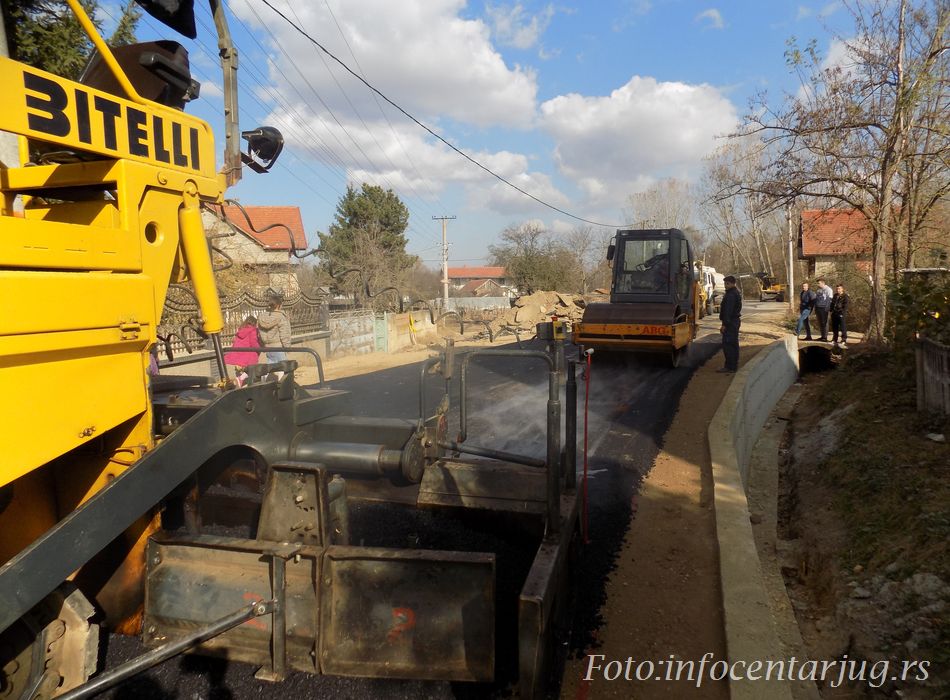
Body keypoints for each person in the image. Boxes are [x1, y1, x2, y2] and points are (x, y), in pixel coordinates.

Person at [224, 316, 260, 387]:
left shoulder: (241, 330)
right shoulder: (253, 331)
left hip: (238, 355)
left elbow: (235, 343)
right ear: (254, 323)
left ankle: (239, 381)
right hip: (248, 355)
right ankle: (240, 379)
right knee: (253, 368)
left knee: (245, 371)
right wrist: (260, 348)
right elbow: (254, 343)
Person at [257, 292, 292, 364]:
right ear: (279, 305)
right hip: (278, 346)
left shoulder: (262, 316)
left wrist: (262, 345)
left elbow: (259, 333)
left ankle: (264, 375)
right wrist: (287, 347)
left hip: (267, 347)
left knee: (270, 367)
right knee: (284, 368)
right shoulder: (281, 317)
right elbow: (284, 333)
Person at [718, 275, 742, 373]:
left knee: (728, 345)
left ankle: (730, 367)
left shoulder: (731, 295)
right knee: (733, 344)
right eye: (725, 283)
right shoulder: (735, 293)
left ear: (732, 283)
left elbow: (728, 312)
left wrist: (724, 325)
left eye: (727, 283)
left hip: (731, 323)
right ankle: (733, 365)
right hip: (734, 322)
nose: (725, 286)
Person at [830, 283, 850, 348]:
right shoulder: (835, 295)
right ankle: (834, 339)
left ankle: (844, 339)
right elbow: (832, 304)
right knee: (834, 327)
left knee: (842, 327)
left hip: (841, 314)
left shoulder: (845, 296)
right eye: (837, 289)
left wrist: (842, 313)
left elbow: (846, 306)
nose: (838, 290)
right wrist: (831, 311)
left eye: (839, 289)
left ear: (842, 289)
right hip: (834, 313)